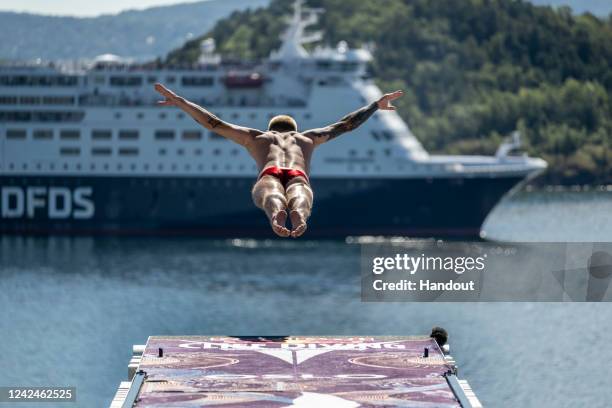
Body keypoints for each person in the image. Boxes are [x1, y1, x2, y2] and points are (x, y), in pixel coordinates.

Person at [155, 83, 403, 237]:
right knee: (301, 194)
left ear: (271, 128)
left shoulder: (257, 137)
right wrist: (375, 105)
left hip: (270, 172)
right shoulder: (308, 138)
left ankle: (275, 215)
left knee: (270, 192)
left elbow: (214, 123)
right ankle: (300, 216)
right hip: (298, 174)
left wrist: (180, 101)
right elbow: (347, 125)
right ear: (293, 129)